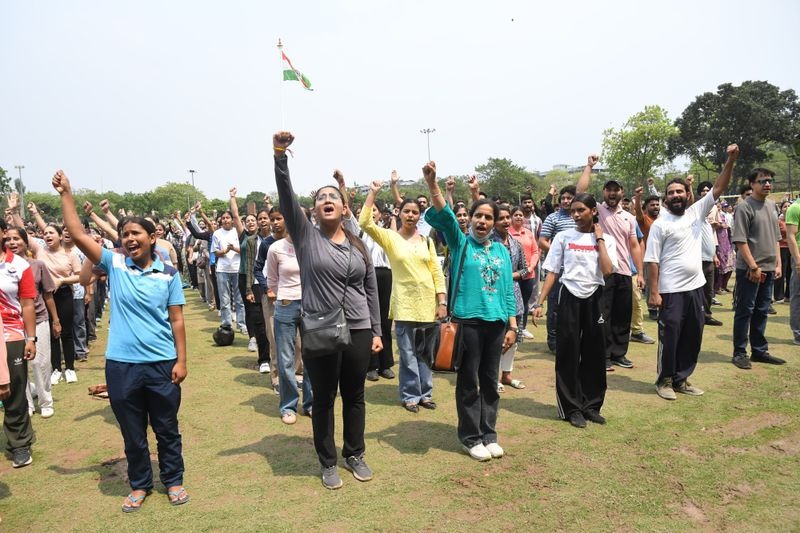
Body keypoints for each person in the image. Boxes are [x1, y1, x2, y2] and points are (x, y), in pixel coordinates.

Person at [53, 169, 189, 512]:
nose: (129, 239)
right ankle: (140, 484)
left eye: (136, 233)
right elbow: (77, 233)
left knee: (167, 429)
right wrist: (66, 193)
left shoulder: (169, 274)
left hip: (161, 364)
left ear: (152, 236)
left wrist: (182, 360)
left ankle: (173, 480)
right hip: (122, 365)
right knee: (132, 432)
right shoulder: (114, 264)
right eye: (125, 234)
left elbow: (177, 319)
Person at [273, 131, 382, 490]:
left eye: (333, 196)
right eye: (321, 198)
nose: (327, 200)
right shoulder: (306, 237)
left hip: (360, 328)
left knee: (355, 395)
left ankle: (355, 453)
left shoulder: (357, 244)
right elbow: (287, 199)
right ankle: (328, 461)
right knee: (323, 399)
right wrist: (280, 156)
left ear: (343, 207)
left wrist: (377, 330)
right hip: (322, 329)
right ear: (314, 210)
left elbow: (370, 288)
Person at [423, 161, 517, 462]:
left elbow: (507, 291)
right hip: (467, 323)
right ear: (471, 219)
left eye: (489, 218)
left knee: (491, 381)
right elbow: (445, 214)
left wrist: (513, 325)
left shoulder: (501, 251)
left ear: (495, 222)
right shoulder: (461, 243)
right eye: (478, 216)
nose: (483, 222)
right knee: (468, 381)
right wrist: (433, 184)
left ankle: (489, 434)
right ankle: (470, 437)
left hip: (496, 323)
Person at [646, 144, 739, 399]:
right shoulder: (659, 225)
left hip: (696, 288)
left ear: (688, 195)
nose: (676, 195)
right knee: (671, 334)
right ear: (666, 198)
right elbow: (652, 261)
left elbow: (719, 188)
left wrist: (729, 161)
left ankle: (681, 379)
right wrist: (653, 293)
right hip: (670, 291)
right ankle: (664, 380)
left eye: (680, 191)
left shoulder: (696, 213)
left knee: (693, 335)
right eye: (671, 192)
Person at [360, 180, 446, 412]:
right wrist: (372, 193)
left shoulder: (427, 241)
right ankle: (410, 395)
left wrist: (442, 301)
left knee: (425, 354)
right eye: (406, 211)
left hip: (428, 305)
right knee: (407, 354)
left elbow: (436, 272)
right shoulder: (390, 238)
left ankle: (425, 394)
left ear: (420, 216)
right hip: (404, 305)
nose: (410, 215)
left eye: (415, 212)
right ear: (400, 213)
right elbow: (365, 222)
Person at [533, 193, 616, 427]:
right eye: (573, 211)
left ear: (593, 211)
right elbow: (552, 272)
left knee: (595, 354)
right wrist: (540, 302)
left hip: (595, 298)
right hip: (568, 296)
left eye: (581, 210)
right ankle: (571, 408)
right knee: (568, 353)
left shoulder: (606, 240)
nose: (576, 215)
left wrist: (599, 240)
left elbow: (608, 270)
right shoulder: (563, 237)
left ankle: (591, 405)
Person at [576, 171, 645, 371]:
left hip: (624, 272)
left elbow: (634, 245)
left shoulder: (629, 218)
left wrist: (639, 272)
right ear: (604, 192)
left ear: (622, 192)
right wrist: (589, 167)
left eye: (616, 190)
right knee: (602, 315)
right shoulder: (597, 210)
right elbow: (580, 191)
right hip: (603, 272)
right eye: (609, 190)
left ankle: (618, 354)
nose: (612, 193)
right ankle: (603, 355)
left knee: (622, 315)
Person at [730, 168, 784, 369]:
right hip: (751, 270)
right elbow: (740, 240)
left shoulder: (771, 205)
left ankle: (759, 350)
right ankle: (739, 352)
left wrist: (777, 263)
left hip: (769, 268)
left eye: (770, 180)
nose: (767, 184)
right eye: (762, 181)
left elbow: (777, 238)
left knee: (762, 310)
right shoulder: (744, 207)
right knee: (745, 310)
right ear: (752, 184)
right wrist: (753, 266)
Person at [5, 227, 59, 419]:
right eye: (9, 239)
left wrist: (56, 320)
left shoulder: (37, 265)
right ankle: (26, 403)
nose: (13, 242)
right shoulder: (3, 266)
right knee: (18, 367)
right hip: (13, 324)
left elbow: (48, 295)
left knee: (39, 362)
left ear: (26, 242)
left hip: (38, 319)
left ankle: (46, 401)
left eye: (17, 239)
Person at [26, 204, 81, 385]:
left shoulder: (69, 254)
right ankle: (56, 368)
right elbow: (23, 236)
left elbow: (79, 276)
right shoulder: (40, 251)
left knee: (66, 332)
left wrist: (62, 281)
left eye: (51, 233)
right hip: (44, 297)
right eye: (45, 233)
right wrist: (19, 213)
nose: (47, 235)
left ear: (59, 236)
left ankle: (70, 368)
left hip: (64, 295)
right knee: (50, 333)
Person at [0, 220, 38, 468]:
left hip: (12, 335)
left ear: (3, 233)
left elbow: (26, 304)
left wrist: (30, 338)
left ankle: (20, 444)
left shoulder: (19, 265)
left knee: (13, 392)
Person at [492, 206, 529, 391]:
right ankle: (493, 376)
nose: (506, 221)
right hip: (493, 295)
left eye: (508, 217)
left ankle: (507, 375)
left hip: (514, 295)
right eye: (501, 218)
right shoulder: (489, 243)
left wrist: (510, 275)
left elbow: (525, 269)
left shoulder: (516, 244)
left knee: (514, 338)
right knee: (497, 338)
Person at [211, 210, 246, 334]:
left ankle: (242, 324)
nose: (225, 220)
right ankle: (226, 324)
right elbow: (215, 253)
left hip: (237, 268)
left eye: (228, 217)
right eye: (223, 218)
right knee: (224, 299)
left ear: (232, 219)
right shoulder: (216, 233)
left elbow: (245, 250)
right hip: (222, 269)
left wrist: (234, 249)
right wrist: (225, 251)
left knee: (240, 299)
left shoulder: (239, 232)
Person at [509, 205, 539, 340]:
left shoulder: (528, 233)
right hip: (512, 276)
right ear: (511, 217)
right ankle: (511, 328)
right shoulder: (508, 233)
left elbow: (535, 251)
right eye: (516, 215)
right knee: (512, 302)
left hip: (528, 275)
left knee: (525, 303)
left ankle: (523, 328)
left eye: (521, 215)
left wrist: (531, 267)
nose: (519, 217)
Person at [785, 196, 800, 345]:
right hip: (799, 257)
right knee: (798, 295)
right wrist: (797, 261)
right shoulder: (794, 208)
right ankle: (798, 333)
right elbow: (791, 236)